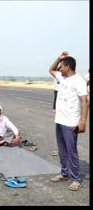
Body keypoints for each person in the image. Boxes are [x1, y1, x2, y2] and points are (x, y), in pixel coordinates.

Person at [48, 51, 88, 191]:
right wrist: (58, 58)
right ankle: (64, 173)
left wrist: (83, 122)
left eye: (61, 65)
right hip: (59, 120)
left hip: (71, 122)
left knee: (71, 151)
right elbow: (51, 69)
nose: (59, 68)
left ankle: (76, 178)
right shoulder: (61, 77)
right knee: (62, 150)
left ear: (68, 67)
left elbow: (84, 102)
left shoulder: (79, 81)